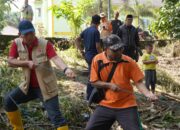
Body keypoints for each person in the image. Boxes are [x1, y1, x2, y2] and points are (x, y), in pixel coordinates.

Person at [4, 20, 76, 130]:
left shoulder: (44, 44)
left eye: (31, 33)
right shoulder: (16, 43)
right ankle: (18, 128)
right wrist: (26, 63)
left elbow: (55, 58)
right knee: (9, 101)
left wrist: (66, 69)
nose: (30, 36)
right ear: (20, 35)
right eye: (26, 34)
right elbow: (10, 61)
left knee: (57, 118)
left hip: (46, 88)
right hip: (27, 87)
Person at [85, 34, 158, 130]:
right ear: (106, 49)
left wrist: (148, 94)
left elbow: (138, 82)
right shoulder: (97, 60)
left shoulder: (129, 61)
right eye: (115, 50)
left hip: (127, 104)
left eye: (121, 49)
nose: (119, 52)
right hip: (105, 104)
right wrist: (109, 85)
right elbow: (93, 82)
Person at [76, 14, 102, 100]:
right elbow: (98, 46)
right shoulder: (96, 31)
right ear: (99, 23)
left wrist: (81, 50)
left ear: (91, 21)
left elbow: (77, 39)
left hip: (87, 55)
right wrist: (102, 56)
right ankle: (90, 96)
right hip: (94, 56)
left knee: (93, 75)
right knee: (93, 76)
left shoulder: (86, 30)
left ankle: (93, 95)